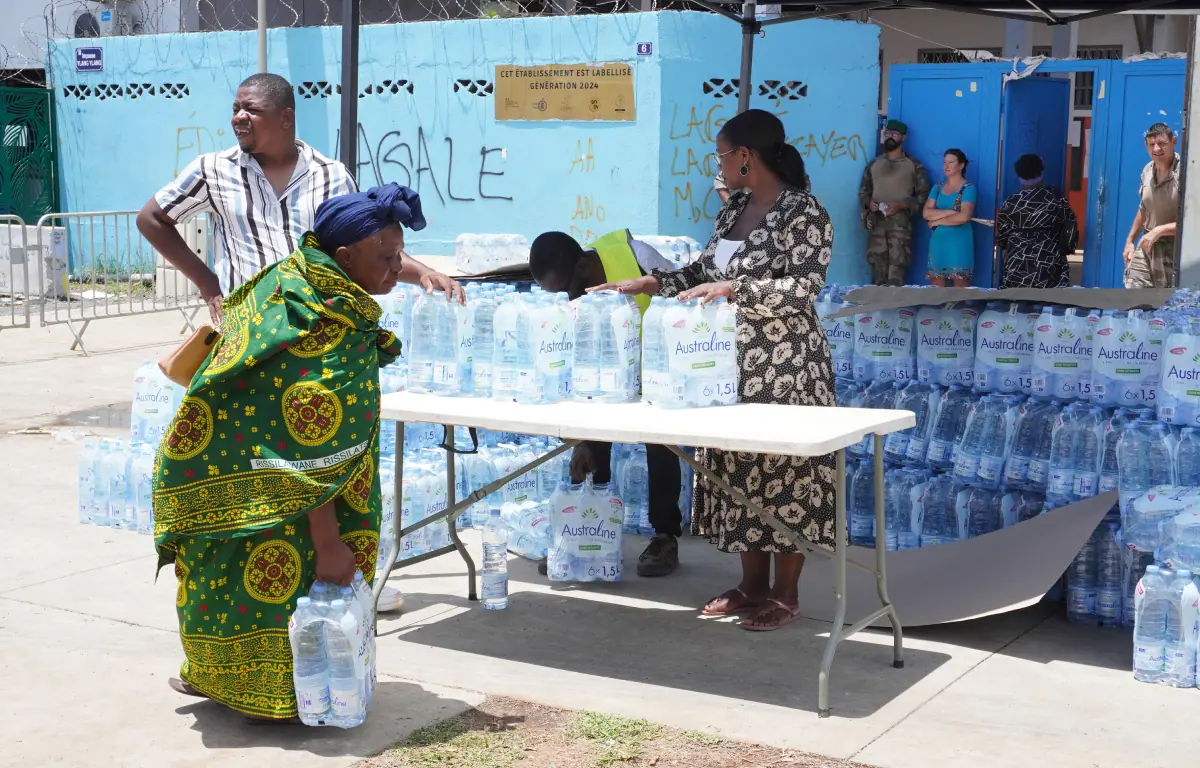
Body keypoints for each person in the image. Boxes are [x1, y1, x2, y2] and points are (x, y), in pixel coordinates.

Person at [137, 73, 461, 614]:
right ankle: (245, 598)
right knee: (247, 473)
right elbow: (152, 218)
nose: (239, 118)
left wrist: (424, 272)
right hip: (247, 341)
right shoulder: (213, 171)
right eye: (235, 109)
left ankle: (334, 580)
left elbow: (365, 245)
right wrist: (206, 282)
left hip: (317, 338)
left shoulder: (331, 175)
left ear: (285, 117)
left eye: (251, 110)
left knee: (327, 459)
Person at [156, 183, 443, 721]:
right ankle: (286, 699)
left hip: (234, 473)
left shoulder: (294, 284)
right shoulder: (322, 327)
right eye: (385, 257)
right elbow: (311, 457)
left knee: (233, 590)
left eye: (399, 255)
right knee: (295, 587)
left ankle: (226, 680)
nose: (396, 268)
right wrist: (328, 539)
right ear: (344, 258)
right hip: (290, 498)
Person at [593, 109, 836, 631]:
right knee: (739, 471)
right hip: (727, 365)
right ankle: (751, 584)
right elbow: (705, 270)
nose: (718, 165)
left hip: (786, 365)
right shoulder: (736, 209)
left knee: (785, 473)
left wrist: (736, 290)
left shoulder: (804, 212)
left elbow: (804, 287)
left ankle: (786, 593)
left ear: (746, 157)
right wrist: (651, 282)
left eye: (722, 155)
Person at [528, 230, 684, 577]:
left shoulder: (636, 255)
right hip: (602, 383)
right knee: (594, 441)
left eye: (568, 287)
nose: (569, 298)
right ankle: (590, 534)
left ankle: (664, 536)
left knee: (661, 448)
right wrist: (581, 438)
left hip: (655, 380)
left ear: (583, 264)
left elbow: (680, 301)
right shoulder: (574, 300)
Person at [858, 119, 931, 286]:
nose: (890, 136)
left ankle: (893, 310)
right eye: (888, 133)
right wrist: (869, 203)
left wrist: (901, 205)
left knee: (897, 272)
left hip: (900, 227)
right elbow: (863, 192)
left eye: (895, 134)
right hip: (877, 225)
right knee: (878, 272)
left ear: (903, 137)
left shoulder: (914, 166)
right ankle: (878, 311)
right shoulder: (874, 164)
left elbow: (923, 195)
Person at [996, 153, 1079, 288]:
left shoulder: (1010, 202)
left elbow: (1002, 237)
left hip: (1017, 259)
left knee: (1018, 300)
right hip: (1049, 257)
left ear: (1019, 175)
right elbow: (1070, 226)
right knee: (1049, 302)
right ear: (1041, 173)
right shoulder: (1055, 199)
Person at [1124, 122, 1180, 288]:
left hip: (1176, 248)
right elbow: (1144, 208)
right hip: (1148, 244)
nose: (1156, 149)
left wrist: (1160, 230)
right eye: (1151, 145)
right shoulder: (1147, 170)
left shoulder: (1187, 173)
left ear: (1174, 141)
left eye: (1162, 144)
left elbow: (1194, 223)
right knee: (1135, 295)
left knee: (1170, 303)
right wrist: (1129, 241)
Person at [923, 149, 977, 287]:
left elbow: (964, 216)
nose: (946, 166)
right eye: (944, 162)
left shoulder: (968, 188)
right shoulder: (938, 187)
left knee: (960, 284)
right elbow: (926, 213)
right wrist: (950, 212)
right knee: (937, 284)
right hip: (939, 240)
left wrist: (938, 220)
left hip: (959, 241)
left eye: (951, 162)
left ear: (961, 165)